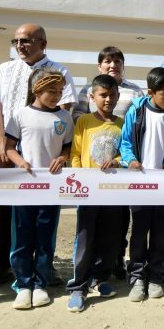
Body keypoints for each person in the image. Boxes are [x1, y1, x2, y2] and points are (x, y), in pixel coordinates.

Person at [0, 23, 76, 290]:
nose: (20, 45)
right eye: (17, 41)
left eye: (27, 41)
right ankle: (4, 266)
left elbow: (64, 112)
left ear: (43, 43)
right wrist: (1, 143)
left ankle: (44, 268)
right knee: (9, 212)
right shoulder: (5, 68)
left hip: (46, 162)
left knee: (45, 217)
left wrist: (60, 152)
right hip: (9, 152)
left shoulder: (60, 71)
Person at [4, 68, 73, 310]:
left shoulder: (65, 118)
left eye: (59, 91)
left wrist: (63, 158)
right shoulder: (20, 115)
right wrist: (19, 160)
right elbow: (9, 147)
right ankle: (23, 285)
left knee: (45, 237)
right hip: (24, 188)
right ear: (37, 90)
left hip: (51, 189)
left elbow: (67, 148)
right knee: (22, 237)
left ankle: (41, 283)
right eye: (50, 91)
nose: (56, 95)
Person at [119, 68, 164, 302]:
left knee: (160, 232)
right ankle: (137, 276)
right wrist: (130, 160)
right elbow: (125, 141)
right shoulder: (137, 109)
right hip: (139, 184)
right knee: (139, 231)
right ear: (151, 92)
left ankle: (155, 275)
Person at [67, 74, 125, 312]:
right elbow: (75, 153)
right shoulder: (84, 122)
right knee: (86, 239)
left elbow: (127, 152)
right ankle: (78, 286)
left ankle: (99, 279)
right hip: (89, 193)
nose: (108, 99)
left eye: (112, 95)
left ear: (118, 96)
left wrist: (117, 162)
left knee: (110, 238)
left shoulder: (123, 123)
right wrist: (82, 178)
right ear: (92, 97)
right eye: (103, 95)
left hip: (114, 193)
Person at [72, 46, 144, 121]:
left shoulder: (135, 90)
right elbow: (77, 114)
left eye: (117, 61)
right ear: (99, 67)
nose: (113, 65)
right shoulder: (89, 88)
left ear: (123, 66)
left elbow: (143, 118)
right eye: (107, 61)